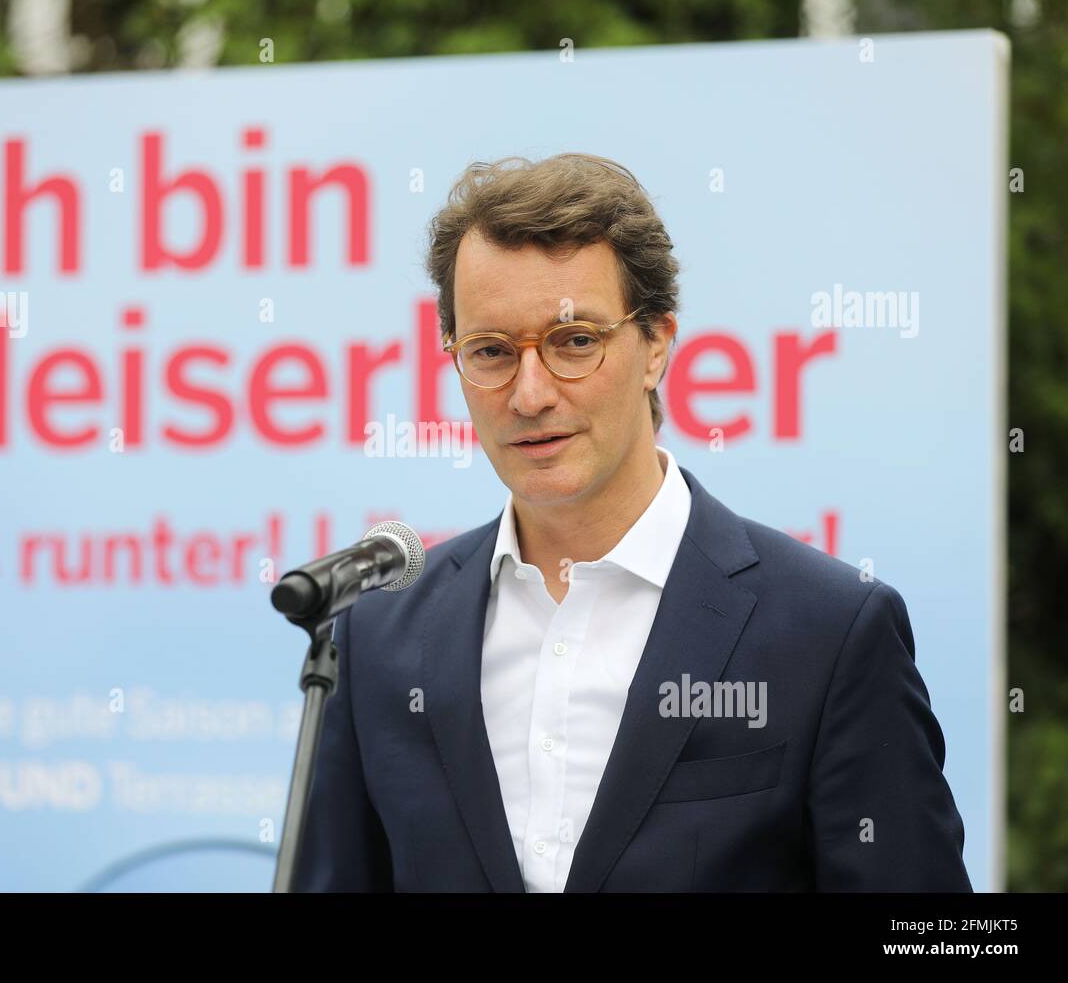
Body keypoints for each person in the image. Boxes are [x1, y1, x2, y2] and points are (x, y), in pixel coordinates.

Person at [292, 154, 972, 892]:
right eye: (490, 351)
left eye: (574, 340)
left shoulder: (829, 629)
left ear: (656, 345)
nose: (529, 393)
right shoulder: (380, 634)